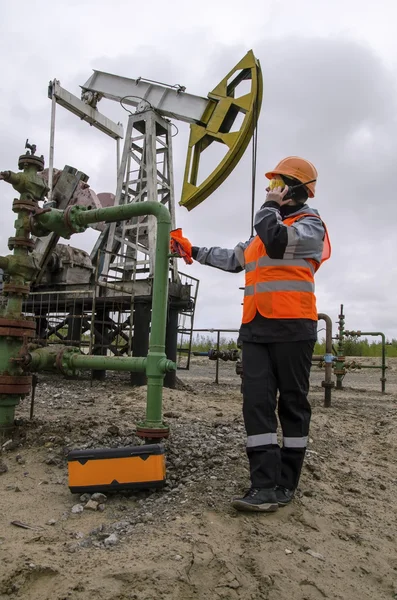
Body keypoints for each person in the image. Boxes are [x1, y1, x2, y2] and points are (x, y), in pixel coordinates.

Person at [174, 156, 331, 513]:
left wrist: (269, 206)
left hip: (294, 328)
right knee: (256, 404)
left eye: (276, 182)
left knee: (292, 406)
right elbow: (234, 259)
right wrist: (193, 251)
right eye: (270, 183)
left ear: (295, 188)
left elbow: (276, 241)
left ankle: (285, 484)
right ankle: (263, 487)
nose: (269, 187)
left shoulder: (310, 226)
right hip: (257, 328)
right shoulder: (265, 227)